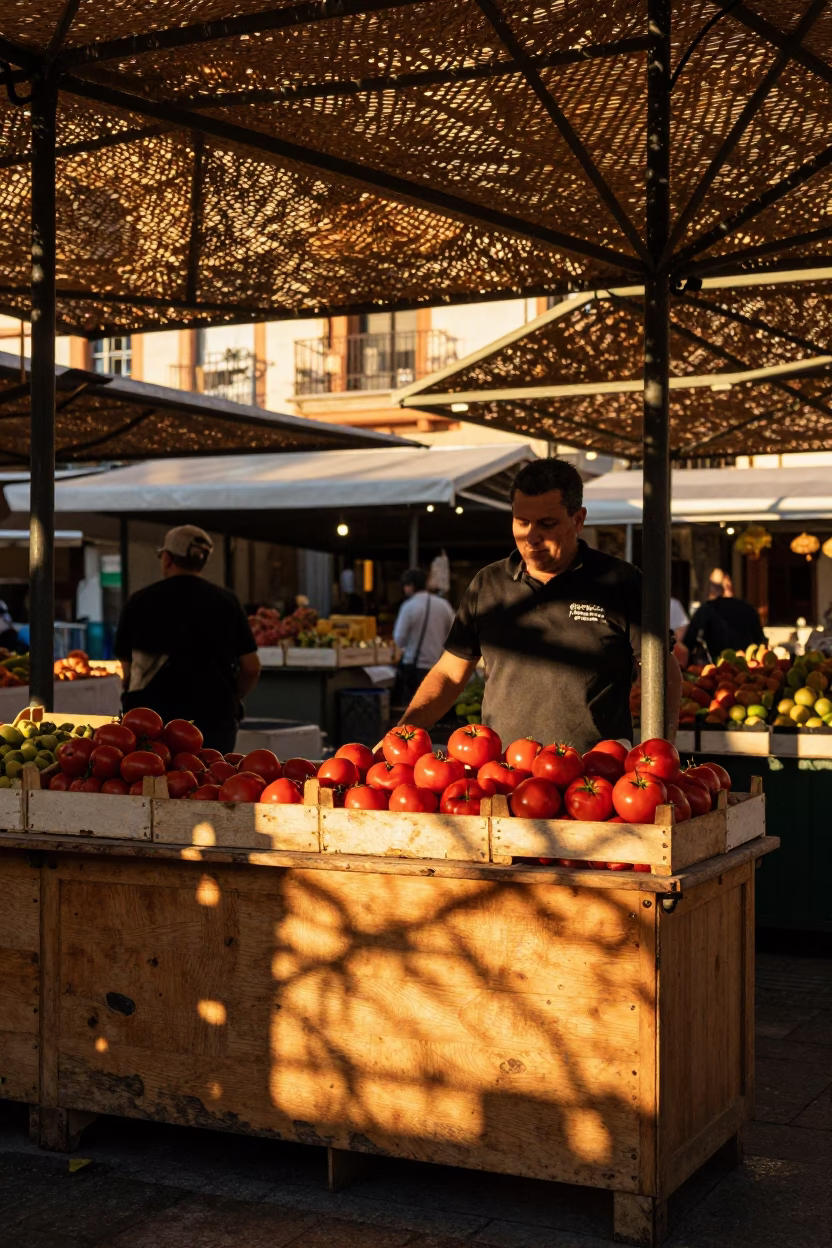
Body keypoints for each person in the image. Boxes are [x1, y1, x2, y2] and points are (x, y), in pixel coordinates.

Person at [398, 459, 681, 752]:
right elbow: (449, 673)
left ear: (578, 520)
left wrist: (663, 747)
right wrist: (402, 732)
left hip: (595, 778)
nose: (531, 538)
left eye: (547, 524)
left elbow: (660, 669)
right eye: (522, 522)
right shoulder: (488, 583)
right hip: (502, 773)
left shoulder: (621, 582)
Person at [115, 525, 261, 752]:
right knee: (210, 784)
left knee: (147, 783)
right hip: (213, 721)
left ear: (168, 559)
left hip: (151, 723)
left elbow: (127, 671)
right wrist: (231, 696)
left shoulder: (140, 601)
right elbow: (251, 668)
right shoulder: (226, 602)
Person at [393, 568, 455, 704]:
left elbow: (399, 639)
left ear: (409, 586)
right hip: (438, 666)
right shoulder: (443, 605)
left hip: (414, 667)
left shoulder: (409, 607)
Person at [682, 568, 766, 661]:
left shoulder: (705, 610)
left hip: (714, 670)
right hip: (744, 667)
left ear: (712, 588)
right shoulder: (749, 609)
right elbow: (760, 642)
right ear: (730, 585)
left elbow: (688, 643)